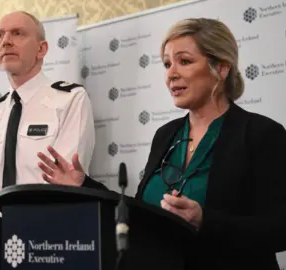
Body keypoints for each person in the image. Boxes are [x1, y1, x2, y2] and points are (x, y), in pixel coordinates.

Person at [37, 18, 286, 270]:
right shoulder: (166, 134)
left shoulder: (262, 134)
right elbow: (143, 215)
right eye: (167, 64)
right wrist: (84, 185)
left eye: (185, 61)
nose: (171, 74)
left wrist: (204, 221)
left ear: (221, 68)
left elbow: (280, 229)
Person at [0, 11, 100, 216]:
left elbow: (65, 183)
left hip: (45, 233)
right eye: (0, 35)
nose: (6, 41)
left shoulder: (69, 99)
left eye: (17, 33)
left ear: (42, 49)